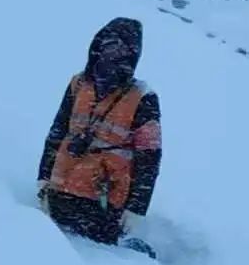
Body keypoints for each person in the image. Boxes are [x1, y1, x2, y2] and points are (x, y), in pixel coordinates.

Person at [36, 18, 162, 248]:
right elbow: (57, 131)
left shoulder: (144, 98)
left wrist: (136, 208)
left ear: (133, 55)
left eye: (123, 49)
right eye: (110, 45)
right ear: (98, 45)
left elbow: (149, 158)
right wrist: (43, 176)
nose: (114, 53)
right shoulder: (78, 84)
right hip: (59, 196)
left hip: (104, 207)